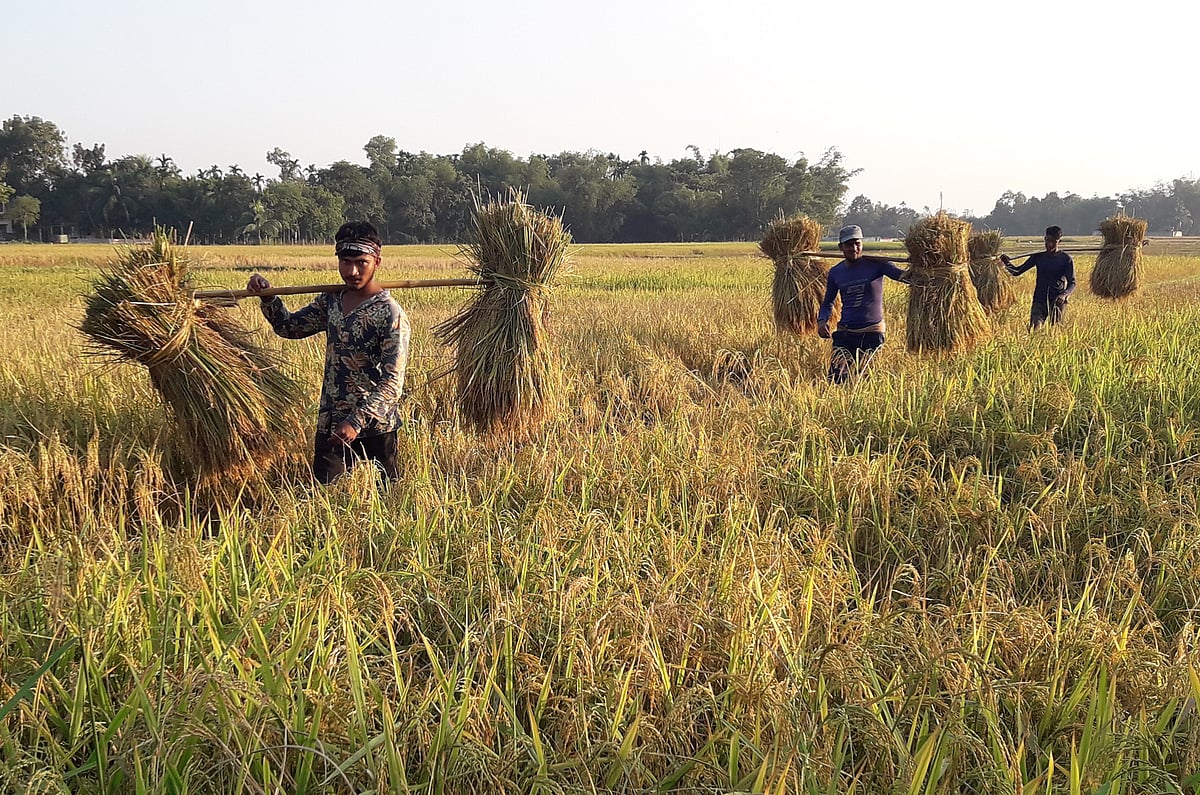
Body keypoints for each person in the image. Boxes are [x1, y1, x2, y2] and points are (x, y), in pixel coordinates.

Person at [247, 221, 410, 484]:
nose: (352, 271)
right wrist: (268, 298)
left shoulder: (389, 313)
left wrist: (356, 421)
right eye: (345, 262)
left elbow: (392, 382)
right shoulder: (332, 301)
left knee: (385, 499)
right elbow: (290, 327)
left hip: (376, 428)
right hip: (332, 423)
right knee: (325, 495)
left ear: (377, 262)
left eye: (361, 262)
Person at [817, 225, 911, 383]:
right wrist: (822, 321)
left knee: (867, 381)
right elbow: (828, 302)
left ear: (862, 244)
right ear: (841, 247)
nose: (854, 248)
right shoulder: (836, 272)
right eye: (849, 244)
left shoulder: (878, 264)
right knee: (836, 380)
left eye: (857, 243)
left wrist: (923, 268)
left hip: (872, 333)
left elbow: (904, 277)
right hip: (846, 333)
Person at [1000, 225, 1075, 329]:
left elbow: (1072, 282)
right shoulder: (1038, 257)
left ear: (1059, 242)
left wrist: (1064, 295)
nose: (1049, 244)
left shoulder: (1065, 259)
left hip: (1057, 300)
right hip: (1039, 300)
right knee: (1034, 329)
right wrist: (1006, 263)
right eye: (1047, 240)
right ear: (1044, 239)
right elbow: (1017, 271)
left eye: (1053, 242)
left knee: (1056, 331)